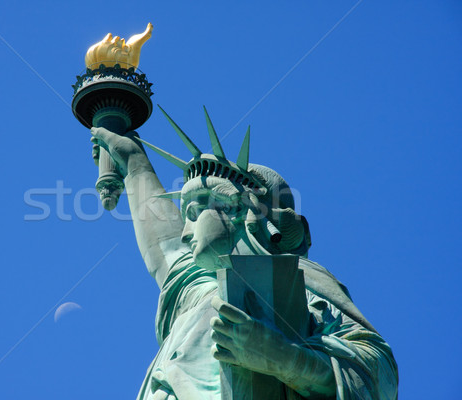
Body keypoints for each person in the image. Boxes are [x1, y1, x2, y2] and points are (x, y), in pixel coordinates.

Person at [89, 114, 398, 399]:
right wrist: (133, 163)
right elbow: (167, 249)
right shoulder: (199, 293)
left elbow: (380, 375)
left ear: (240, 210)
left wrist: (285, 359)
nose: (185, 232)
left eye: (195, 213)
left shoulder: (305, 289)